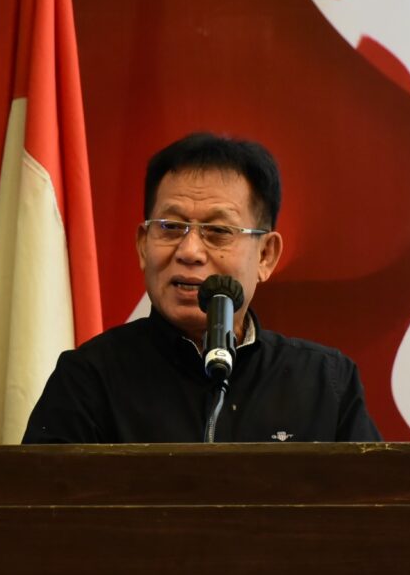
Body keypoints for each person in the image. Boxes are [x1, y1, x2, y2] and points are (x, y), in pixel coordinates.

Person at [22, 133, 381, 444]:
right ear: (143, 245)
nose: (190, 251)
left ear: (266, 255)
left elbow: (377, 500)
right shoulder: (88, 379)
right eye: (170, 227)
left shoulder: (326, 382)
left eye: (219, 231)